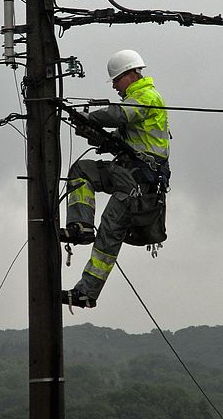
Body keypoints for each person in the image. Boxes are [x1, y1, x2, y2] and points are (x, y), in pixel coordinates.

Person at [61, 49, 171, 309]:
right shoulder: (135, 100)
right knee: (82, 169)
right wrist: (92, 132)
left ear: (131, 74)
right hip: (126, 171)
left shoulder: (146, 96)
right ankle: (80, 226)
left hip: (138, 183)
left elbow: (118, 115)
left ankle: (86, 292)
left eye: (116, 80)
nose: (114, 86)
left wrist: (89, 117)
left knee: (109, 234)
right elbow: (120, 140)